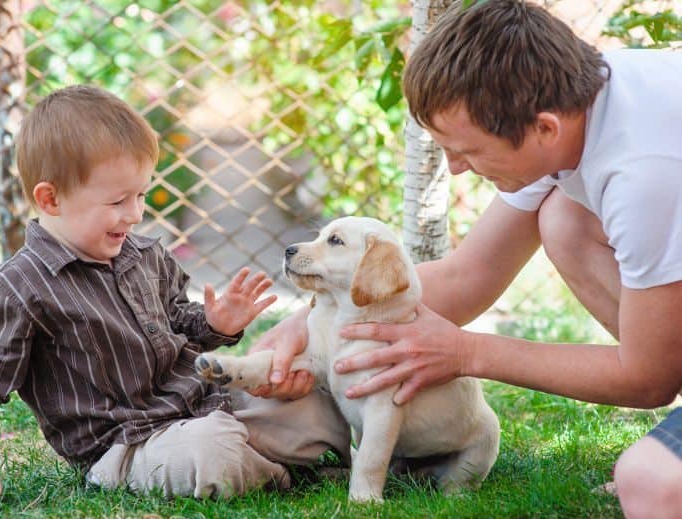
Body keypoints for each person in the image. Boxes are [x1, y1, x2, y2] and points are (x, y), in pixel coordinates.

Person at [250, 1, 682, 517]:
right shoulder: (580, 103)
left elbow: (649, 378)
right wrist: (311, 321)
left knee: (652, 485)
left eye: (469, 151)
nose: (455, 170)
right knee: (565, 221)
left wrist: (465, 354)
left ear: (543, 128)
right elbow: (467, 274)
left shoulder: (645, 174)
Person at [0, 85, 350, 512]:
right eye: (118, 201)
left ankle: (351, 453)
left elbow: (178, 320)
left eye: (141, 196)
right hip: (123, 447)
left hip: (202, 404)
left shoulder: (144, 254)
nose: (134, 214)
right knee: (215, 452)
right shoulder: (23, 286)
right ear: (51, 198)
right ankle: (279, 470)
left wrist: (216, 325)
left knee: (309, 403)